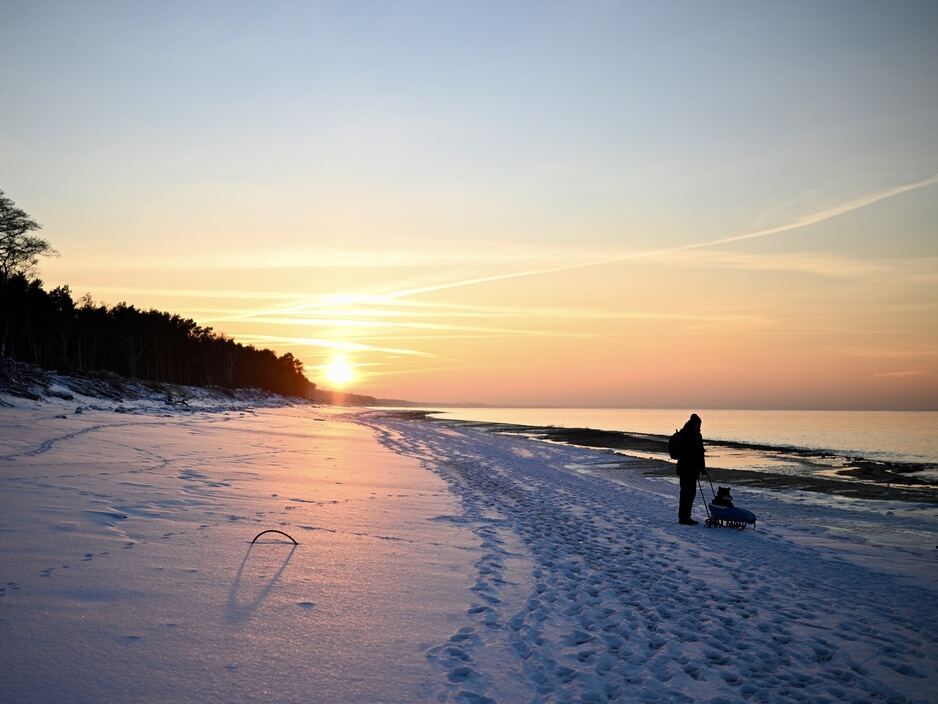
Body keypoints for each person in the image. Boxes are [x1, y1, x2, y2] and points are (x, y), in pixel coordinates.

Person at [676, 413, 706, 525]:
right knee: (687, 494)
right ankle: (684, 518)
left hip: (690, 469)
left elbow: (700, 453)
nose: (700, 426)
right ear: (695, 423)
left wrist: (702, 468)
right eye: (699, 424)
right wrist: (701, 467)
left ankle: (685, 517)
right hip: (687, 469)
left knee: (689, 494)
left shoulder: (692, 434)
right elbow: (697, 453)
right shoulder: (688, 434)